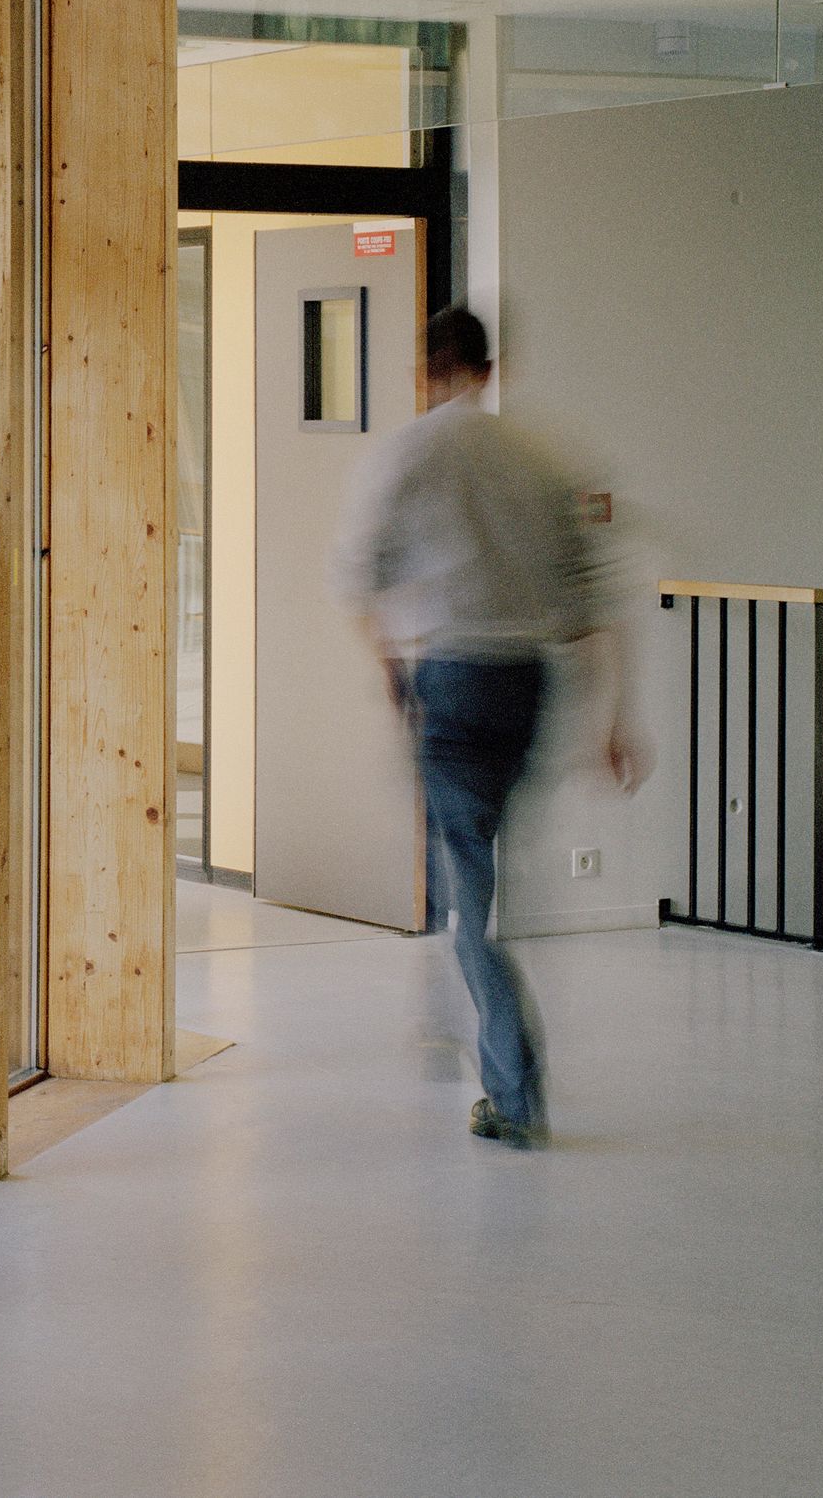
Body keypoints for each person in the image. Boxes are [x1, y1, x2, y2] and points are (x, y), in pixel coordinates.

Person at [332, 303, 646, 1147]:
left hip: (456, 682)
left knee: (469, 894)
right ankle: (480, 1013)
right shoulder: (542, 458)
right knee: (487, 878)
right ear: (490, 366)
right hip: (528, 687)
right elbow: (592, 602)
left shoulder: (410, 450)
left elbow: (361, 576)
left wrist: (397, 672)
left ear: (427, 367)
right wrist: (613, 720)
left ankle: (511, 1089)